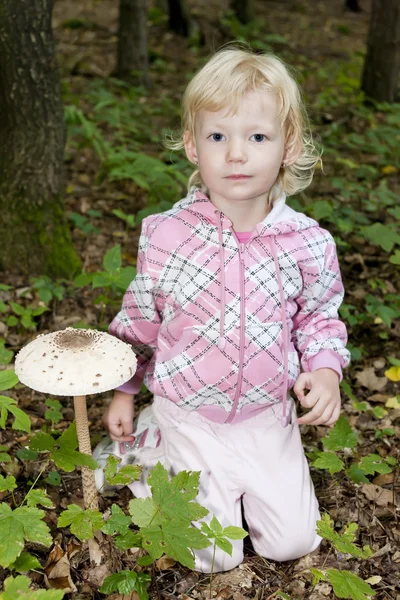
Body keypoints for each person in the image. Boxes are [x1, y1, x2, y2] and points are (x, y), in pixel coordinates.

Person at [94, 46, 350, 572]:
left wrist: (325, 370)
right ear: (193, 145)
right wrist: (124, 389)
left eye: (257, 136)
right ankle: (147, 446)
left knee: (292, 543)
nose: (237, 154)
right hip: (189, 414)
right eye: (218, 136)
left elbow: (319, 318)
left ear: (288, 145)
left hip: (266, 417)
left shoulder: (307, 242)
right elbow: (141, 320)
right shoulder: (167, 235)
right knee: (211, 555)